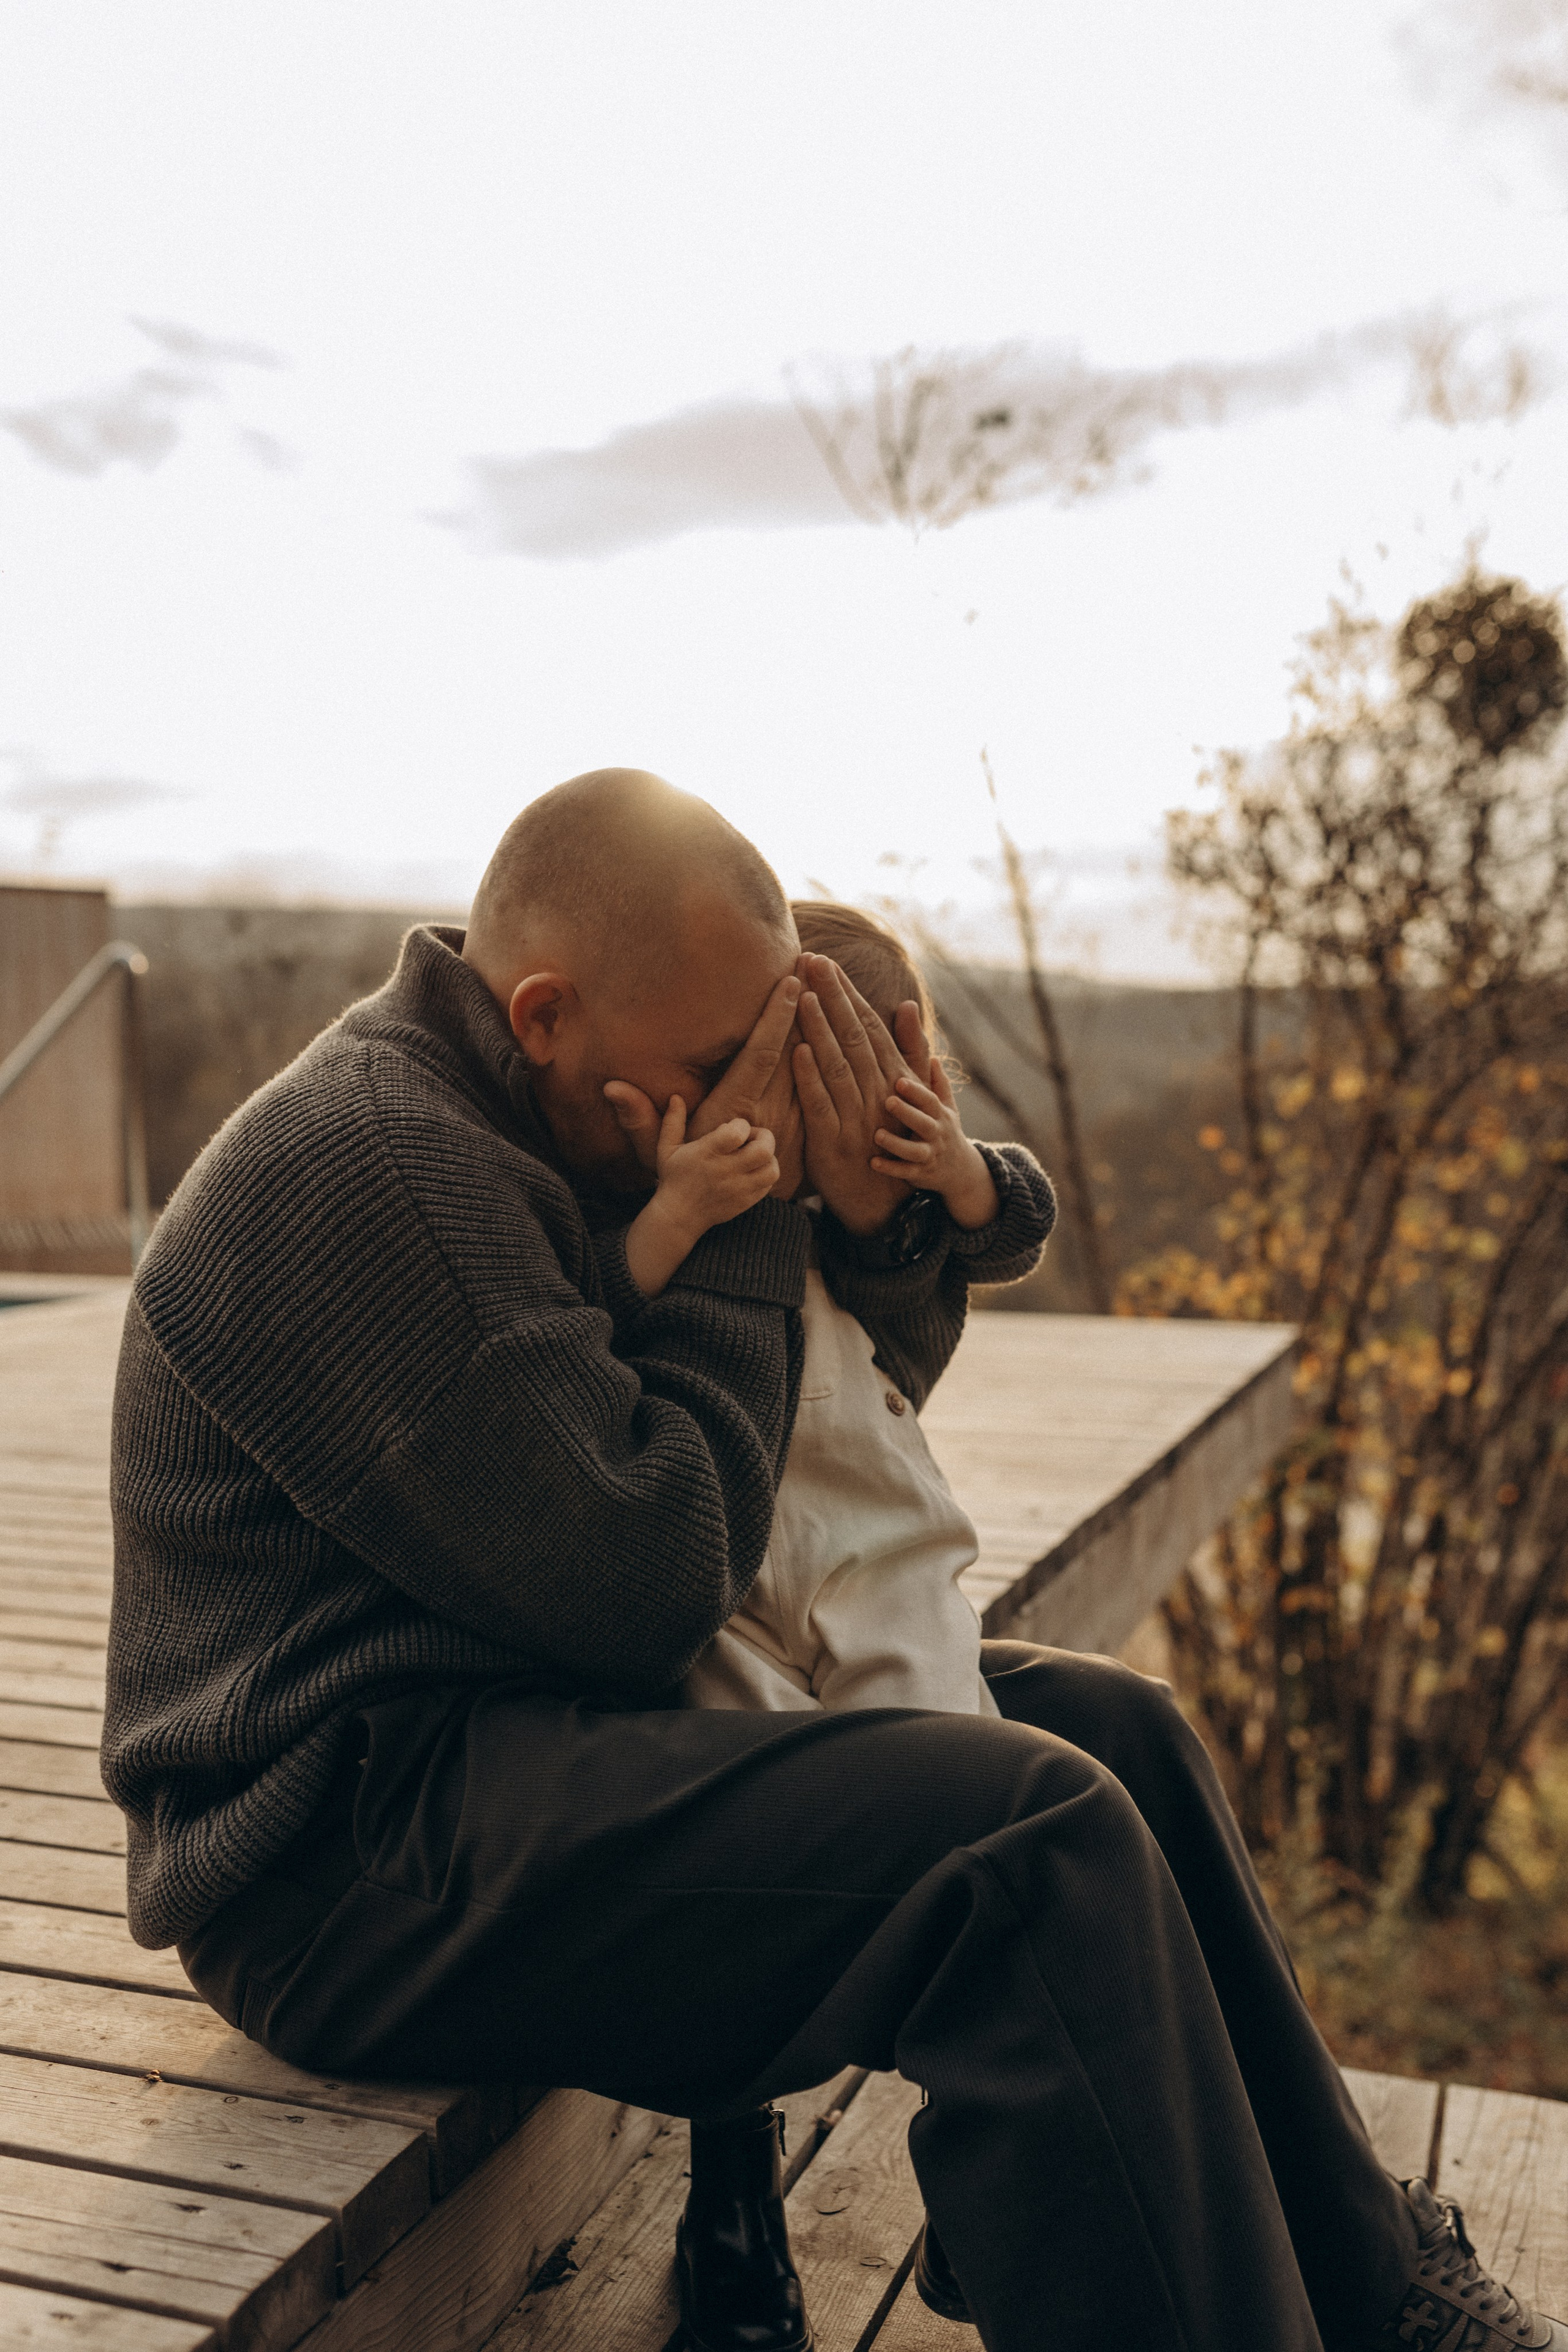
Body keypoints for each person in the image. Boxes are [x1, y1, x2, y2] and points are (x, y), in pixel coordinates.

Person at [103, 769, 1565, 2352]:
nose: (768, 1097)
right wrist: (746, 1216)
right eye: (731, 1065)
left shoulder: (549, 1120)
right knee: (1020, 1847)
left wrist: (864, 1223)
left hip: (517, 1714)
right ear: (542, 1020)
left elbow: (798, 1440)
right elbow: (649, 1571)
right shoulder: (378, 1170)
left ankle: (1373, 2289)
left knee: (1116, 1739)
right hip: (344, 1846)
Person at [650, 900, 1053, 1717]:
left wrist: (954, 1164)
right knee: (752, 1726)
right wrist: (678, 1208)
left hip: (878, 1545)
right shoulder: (688, 1177)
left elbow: (1017, 1229)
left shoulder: (887, 1204)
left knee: (929, 1724)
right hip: (740, 1564)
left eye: (839, 1077)